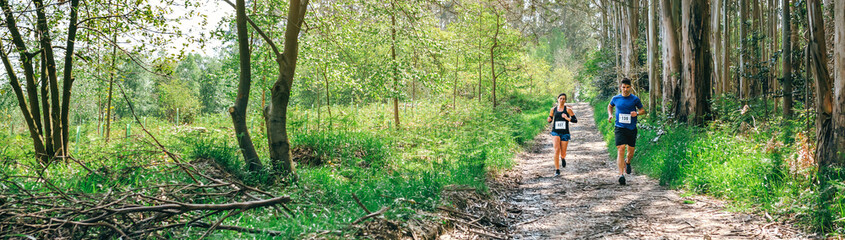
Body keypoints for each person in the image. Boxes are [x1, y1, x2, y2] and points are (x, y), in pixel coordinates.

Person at [607, 78, 645, 185]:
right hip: (619, 127)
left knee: (631, 151)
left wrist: (637, 113)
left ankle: (627, 162)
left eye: (627, 87)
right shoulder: (616, 98)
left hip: (631, 128)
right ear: (620, 87)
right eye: (623, 87)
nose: (625, 89)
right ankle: (621, 175)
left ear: (630, 87)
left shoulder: (635, 99)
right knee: (621, 148)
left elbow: (643, 111)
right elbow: (610, 106)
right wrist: (610, 115)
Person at [547, 93, 577, 176]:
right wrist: (549, 119)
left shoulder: (568, 110)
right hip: (555, 131)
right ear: (558, 99)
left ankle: (563, 158)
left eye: (564, 99)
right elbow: (550, 119)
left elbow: (575, 120)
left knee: (563, 152)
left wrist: (567, 118)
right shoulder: (553, 109)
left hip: (565, 132)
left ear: (565, 100)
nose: (562, 100)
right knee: (556, 150)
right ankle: (557, 170)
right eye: (561, 98)